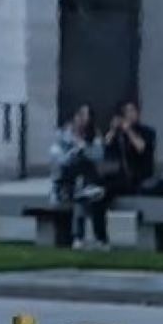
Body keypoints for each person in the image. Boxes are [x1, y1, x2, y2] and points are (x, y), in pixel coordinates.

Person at [49, 104, 108, 249]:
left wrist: (84, 146)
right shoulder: (62, 135)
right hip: (64, 181)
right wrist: (76, 148)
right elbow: (59, 160)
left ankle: (81, 238)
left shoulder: (95, 136)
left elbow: (99, 156)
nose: (83, 119)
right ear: (74, 117)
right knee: (79, 163)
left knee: (87, 198)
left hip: (82, 182)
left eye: (87, 116)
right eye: (81, 115)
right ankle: (94, 238)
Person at [104, 101, 157, 195]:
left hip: (143, 177)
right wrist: (112, 129)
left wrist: (128, 130)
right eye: (126, 111)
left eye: (132, 110)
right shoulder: (119, 134)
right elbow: (106, 144)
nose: (130, 114)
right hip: (122, 179)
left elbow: (141, 148)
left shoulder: (148, 131)